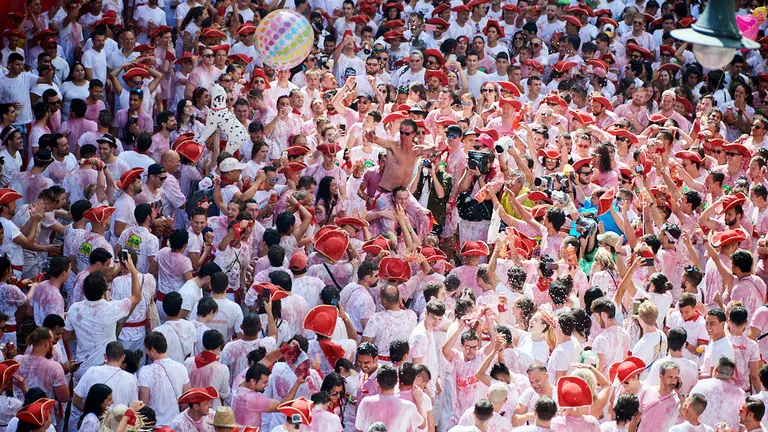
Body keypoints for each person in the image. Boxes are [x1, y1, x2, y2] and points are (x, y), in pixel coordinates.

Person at [64, 253, 143, 381]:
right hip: (104, 370)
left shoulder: (74, 309)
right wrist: (133, 271)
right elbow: (137, 297)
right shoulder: (111, 309)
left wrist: (85, 330)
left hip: (81, 370)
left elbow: (66, 336)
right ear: (104, 290)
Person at [138, 331, 192, 426]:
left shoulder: (145, 371)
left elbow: (143, 404)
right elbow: (186, 401)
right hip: (176, 425)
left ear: (153, 350)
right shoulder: (181, 368)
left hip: (155, 426)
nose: (146, 353)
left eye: (146, 349)